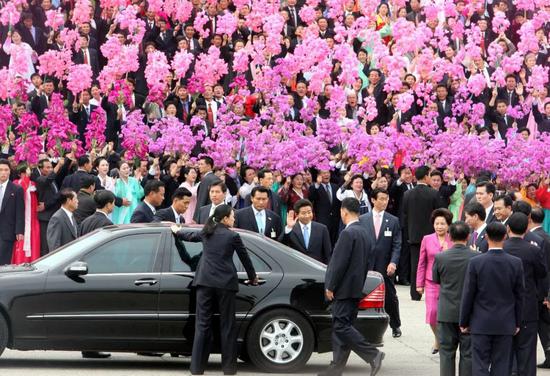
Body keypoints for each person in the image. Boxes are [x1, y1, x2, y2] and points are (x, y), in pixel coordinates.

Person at [171, 204, 258, 375]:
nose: (234, 219)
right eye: (232, 216)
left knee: (202, 325)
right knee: (227, 325)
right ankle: (229, 368)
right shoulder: (233, 236)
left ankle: (196, 368)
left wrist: (177, 231)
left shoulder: (206, 232)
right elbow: (245, 258)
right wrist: (253, 277)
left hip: (205, 282)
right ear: (225, 219)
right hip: (226, 283)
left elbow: (189, 236)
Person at [321, 197, 384, 376]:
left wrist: (330, 285)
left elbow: (338, 263)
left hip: (344, 289)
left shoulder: (348, 233)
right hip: (355, 288)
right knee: (343, 327)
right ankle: (336, 369)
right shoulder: (365, 232)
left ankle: (373, 354)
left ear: (344, 211)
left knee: (341, 326)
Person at [460, 222, 525, 376]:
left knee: (480, 365)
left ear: (486, 236)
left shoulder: (476, 262)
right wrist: (517, 322)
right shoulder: (515, 263)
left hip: (480, 322)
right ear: (505, 236)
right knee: (502, 365)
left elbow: (468, 293)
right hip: (505, 322)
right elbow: (520, 295)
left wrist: (464, 321)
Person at [432, 221, 478, 376]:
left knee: (446, 353)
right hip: (470, 312)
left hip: (446, 311)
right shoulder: (477, 257)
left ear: (449, 236)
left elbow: (436, 279)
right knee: (468, 353)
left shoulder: (440, 257)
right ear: (469, 236)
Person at [504, 213, 547, 376]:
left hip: (504, 306)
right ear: (527, 228)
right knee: (527, 350)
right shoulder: (533, 250)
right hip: (528, 304)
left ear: (508, 228)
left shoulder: (501, 248)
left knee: (505, 351)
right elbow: (542, 273)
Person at [359, 188, 403, 338]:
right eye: (381, 199)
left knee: (390, 296)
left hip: (385, 265)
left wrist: (393, 262)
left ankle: (395, 325)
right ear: (373, 200)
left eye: (386, 199)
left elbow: (397, 245)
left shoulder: (393, 220)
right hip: (366, 264)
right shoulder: (362, 219)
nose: (384, 202)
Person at [416, 208, 453, 354]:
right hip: (431, 281)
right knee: (432, 313)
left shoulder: (454, 239)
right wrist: (419, 284)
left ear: (448, 225)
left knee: (446, 314)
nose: (439, 226)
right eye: (437, 223)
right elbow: (421, 262)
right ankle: (438, 339)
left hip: (449, 281)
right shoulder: (427, 239)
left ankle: (444, 341)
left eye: (442, 224)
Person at [402, 165, 442, 301]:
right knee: (433, 263)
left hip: (413, 235)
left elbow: (405, 214)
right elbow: (440, 213)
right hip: (431, 235)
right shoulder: (434, 193)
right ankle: (434, 292)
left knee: (415, 264)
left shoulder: (407, 194)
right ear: (426, 177)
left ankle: (415, 293)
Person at [281, 199, 332, 264]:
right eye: (303, 213)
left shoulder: (322, 229)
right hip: (297, 267)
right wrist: (289, 227)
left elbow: (328, 253)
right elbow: (281, 245)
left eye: (309, 212)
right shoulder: (291, 229)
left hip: (317, 268)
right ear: (296, 214)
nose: (307, 216)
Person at [35, 157, 68, 255]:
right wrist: (58, 165)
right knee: (45, 244)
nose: (50, 169)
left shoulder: (53, 180)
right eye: (47, 167)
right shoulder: (40, 179)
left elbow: (60, 175)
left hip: (53, 215)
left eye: (51, 167)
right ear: (41, 169)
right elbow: (48, 179)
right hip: (45, 217)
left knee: (54, 242)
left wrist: (67, 161)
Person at [10, 163, 41, 264]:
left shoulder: (33, 184)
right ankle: (19, 262)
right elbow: (23, 187)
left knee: (34, 241)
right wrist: (26, 178)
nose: (27, 174)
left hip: (33, 218)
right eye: (24, 172)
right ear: (20, 173)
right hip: (21, 219)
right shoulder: (15, 183)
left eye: (28, 172)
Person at [531, 208, 550, 369]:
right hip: (545, 290)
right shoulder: (546, 236)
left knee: (542, 326)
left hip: (539, 290)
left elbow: (543, 269)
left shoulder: (536, 239)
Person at [0, 159, 25, 265]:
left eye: (6, 170)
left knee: (3, 261)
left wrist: (19, 231)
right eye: (0, 170)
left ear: (10, 171)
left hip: (7, 231)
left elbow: (20, 211)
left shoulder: (16, 189)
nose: (3, 172)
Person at [309, 169, 341, 246]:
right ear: (319, 176)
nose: (326, 175)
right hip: (322, 221)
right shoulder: (315, 187)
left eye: (328, 172)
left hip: (335, 221)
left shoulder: (335, 187)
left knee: (334, 242)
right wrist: (317, 184)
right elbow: (311, 198)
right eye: (324, 173)